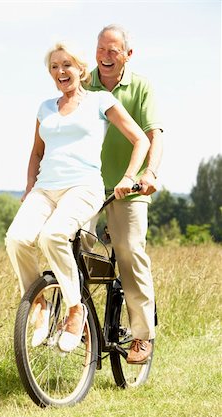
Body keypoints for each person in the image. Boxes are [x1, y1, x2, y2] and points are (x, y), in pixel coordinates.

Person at [5, 41, 150, 353]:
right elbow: (37, 151)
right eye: (54, 67)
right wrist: (30, 187)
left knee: (53, 236)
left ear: (82, 70)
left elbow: (140, 139)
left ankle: (74, 309)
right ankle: (40, 304)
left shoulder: (100, 101)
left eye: (66, 65)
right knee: (16, 238)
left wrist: (129, 177)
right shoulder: (45, 108)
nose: (60, 72)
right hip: (46, 189)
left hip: (83, 187)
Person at [87, 24, 163, 364]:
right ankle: (78, 321)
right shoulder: (82, 83)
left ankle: (142, 335)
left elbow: (153, 135)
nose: (105, 56)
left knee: (130, 251)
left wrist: (148, 173)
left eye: (113, 51)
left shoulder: (141, 86)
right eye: (101, 49)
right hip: (86, 184)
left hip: (129, 188)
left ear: (127, 55)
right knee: (73, 247)